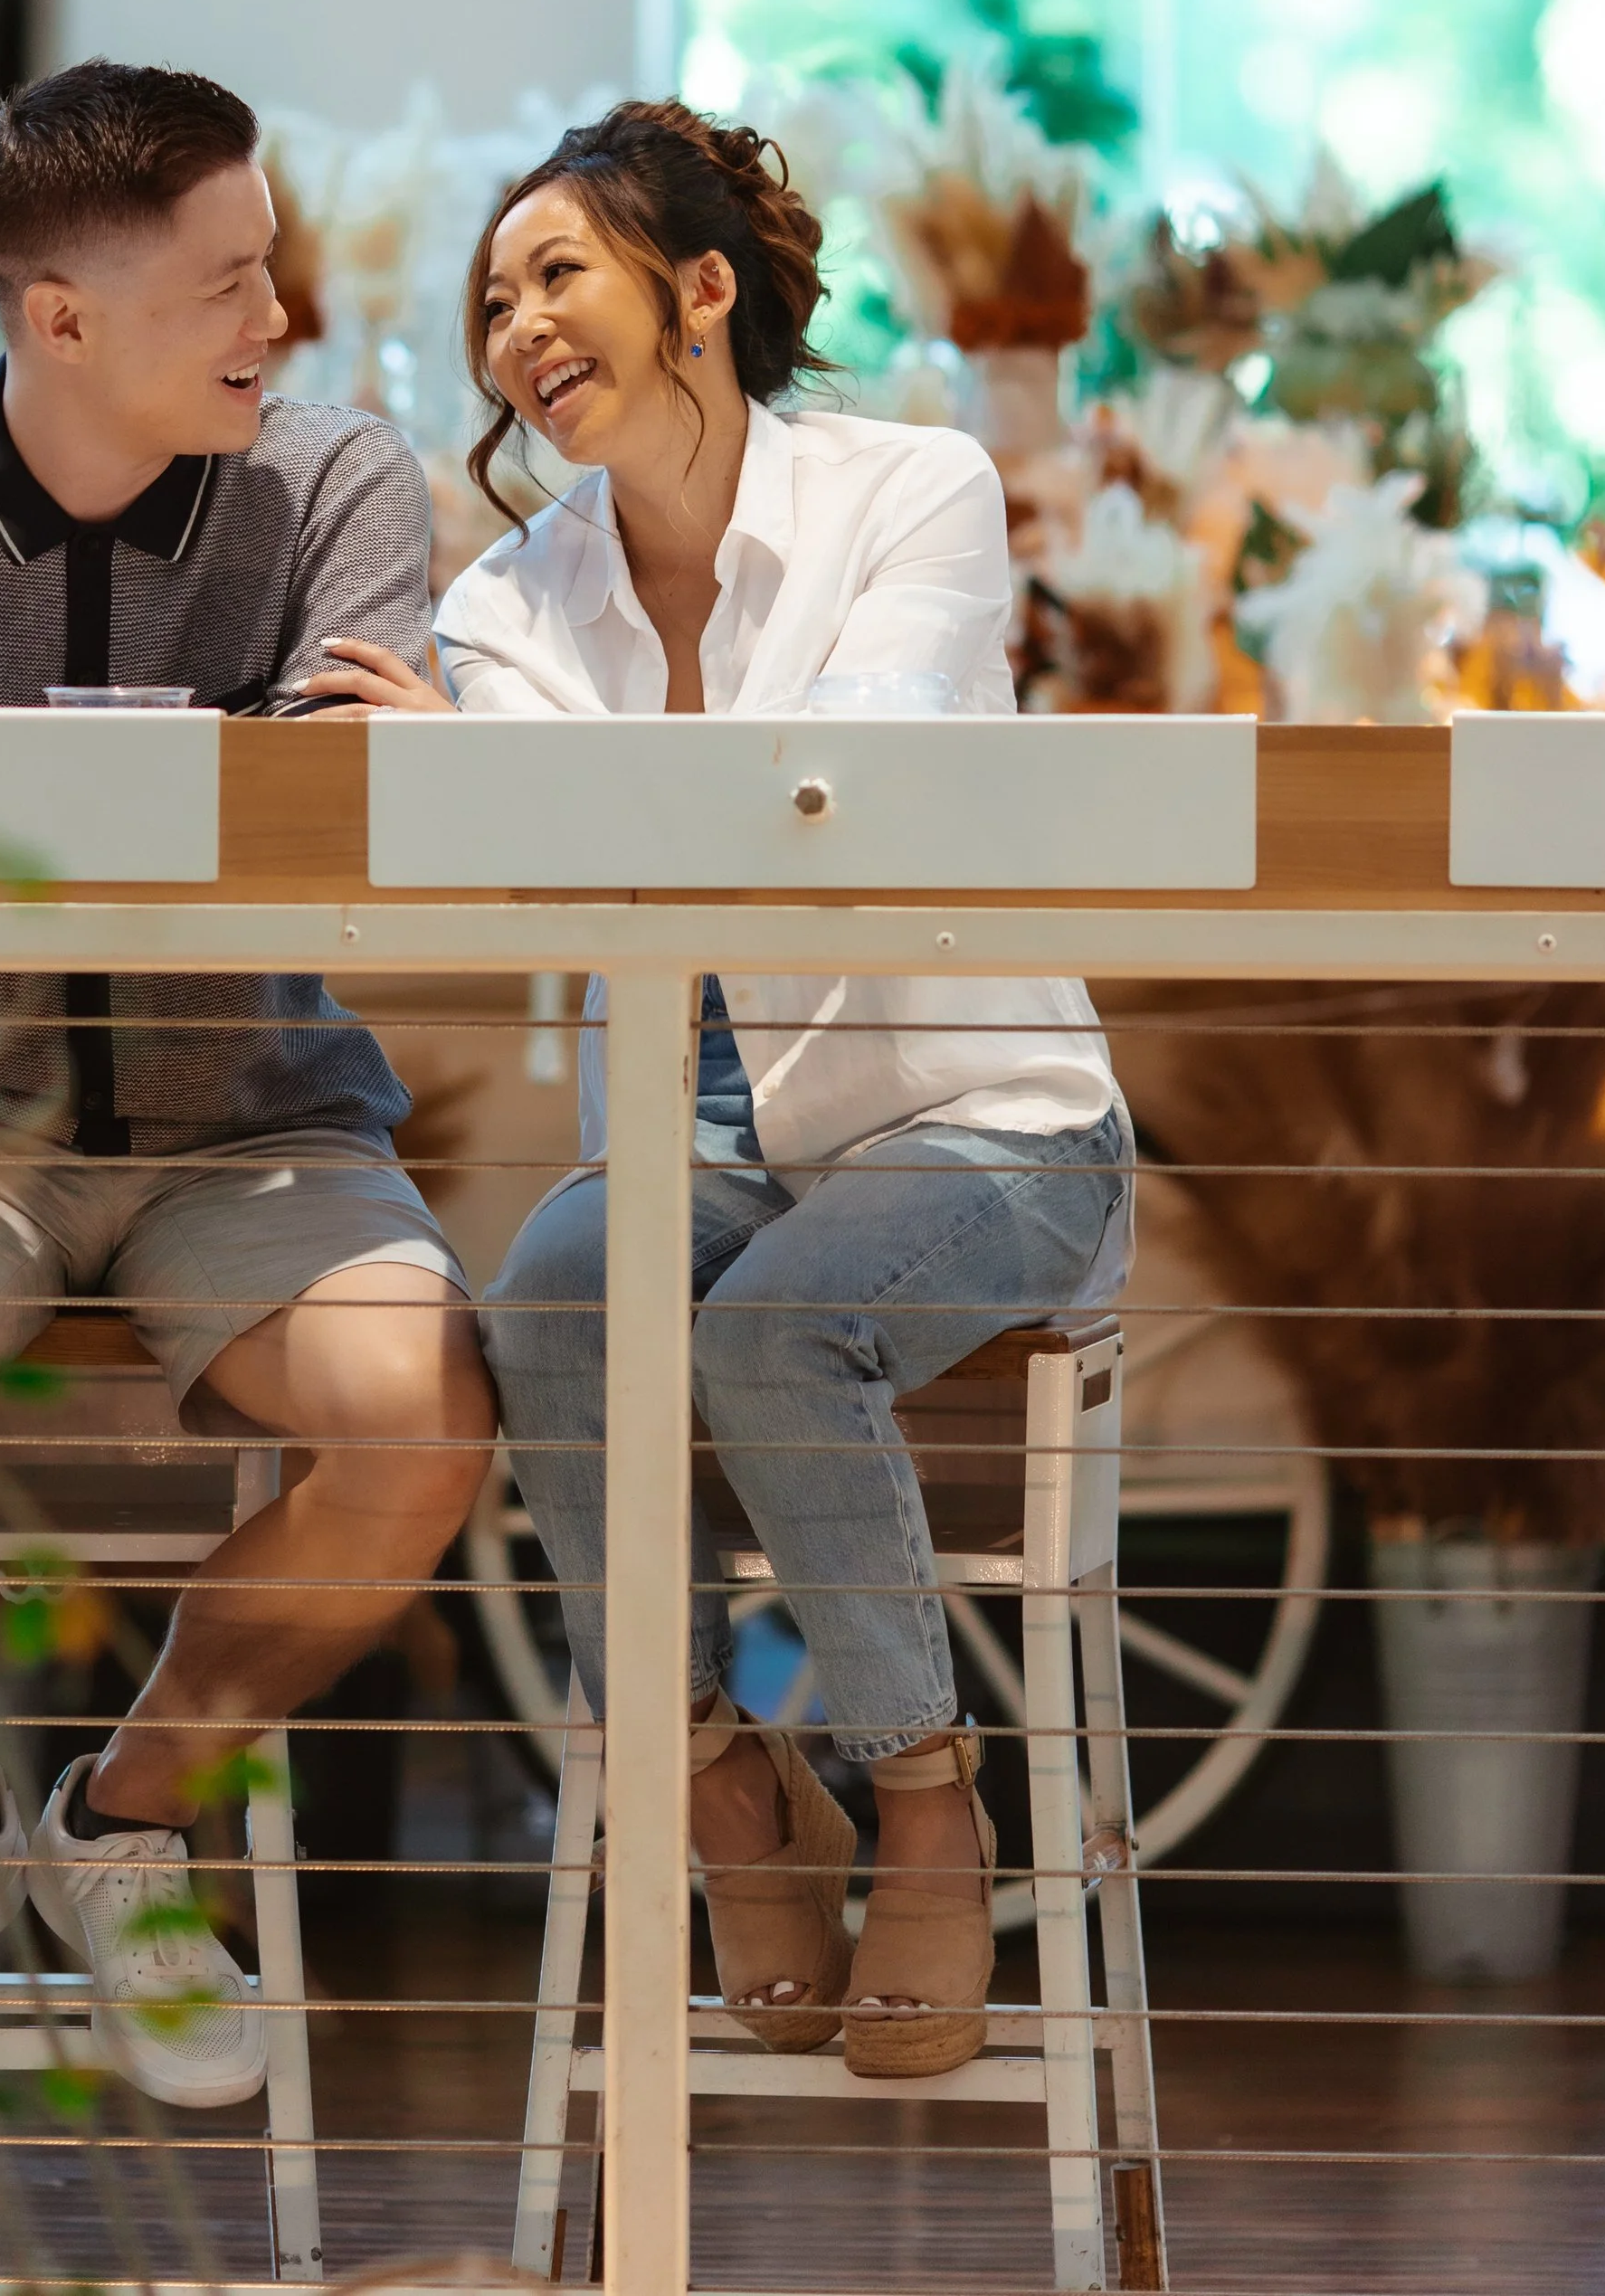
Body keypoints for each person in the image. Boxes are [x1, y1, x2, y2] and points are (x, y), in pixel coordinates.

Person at [296, 100, 1133, 2083]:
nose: (515, 329)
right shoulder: (505, 604)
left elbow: (836, 782)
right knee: (547, 1301)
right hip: (711, 1137)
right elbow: (560, 865)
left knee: (768, 1332)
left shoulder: (913, 489)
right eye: (493, 302)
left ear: (698, 290)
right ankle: (721, 1785)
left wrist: (533, 781)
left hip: (990, 1121)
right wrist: (537, 789)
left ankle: (922, 1797)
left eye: (555, 276)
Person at [0, 60, 495, 2110]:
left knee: (419, 1426)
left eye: (270, 264)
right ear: (59, 315)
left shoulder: (335, 478)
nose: (278, 317)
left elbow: (352, 803)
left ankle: (126, 1824)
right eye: (227, 283)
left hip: (259, 1130)